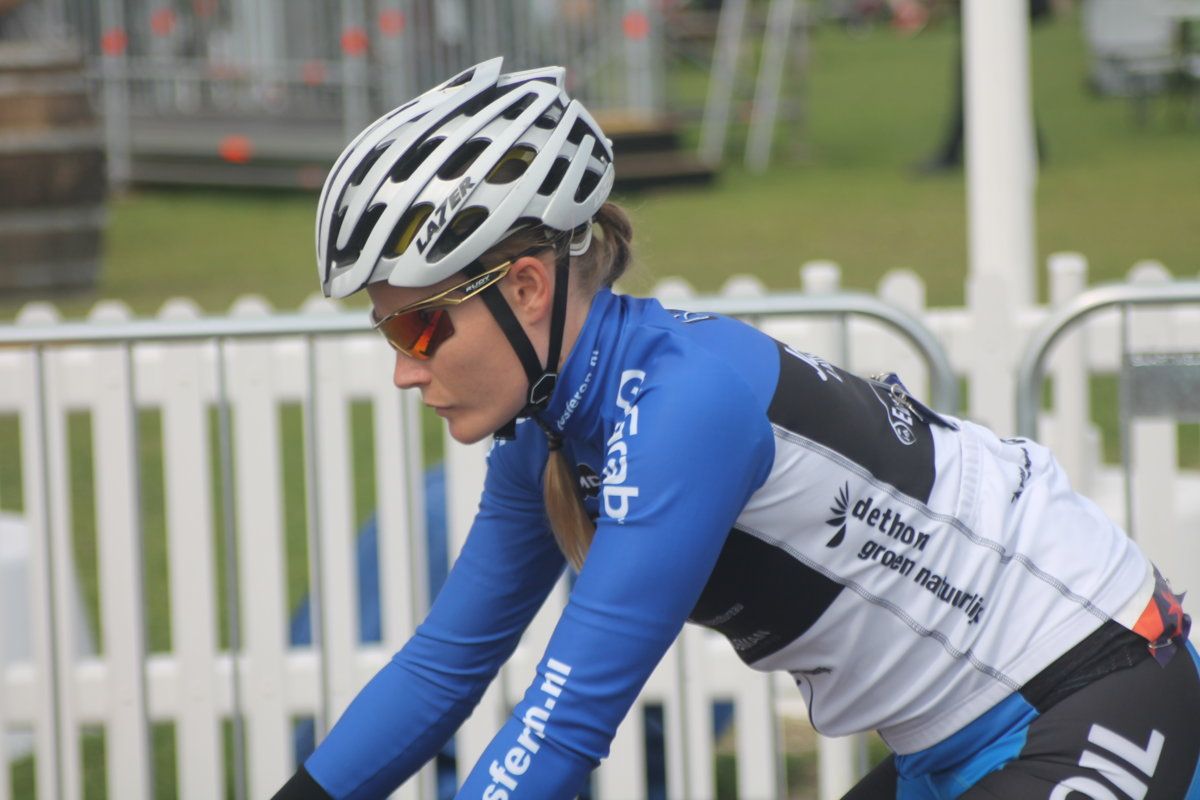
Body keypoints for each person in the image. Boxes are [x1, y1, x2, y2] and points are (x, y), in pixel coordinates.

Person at [274, 57, 1200, 799]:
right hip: (957, 740)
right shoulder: (548, 436)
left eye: (417, 324)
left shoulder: (685, 407)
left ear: (525, 287)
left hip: (1093, 685)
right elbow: (445, 667)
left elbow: (563, 721)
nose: (404, 365)